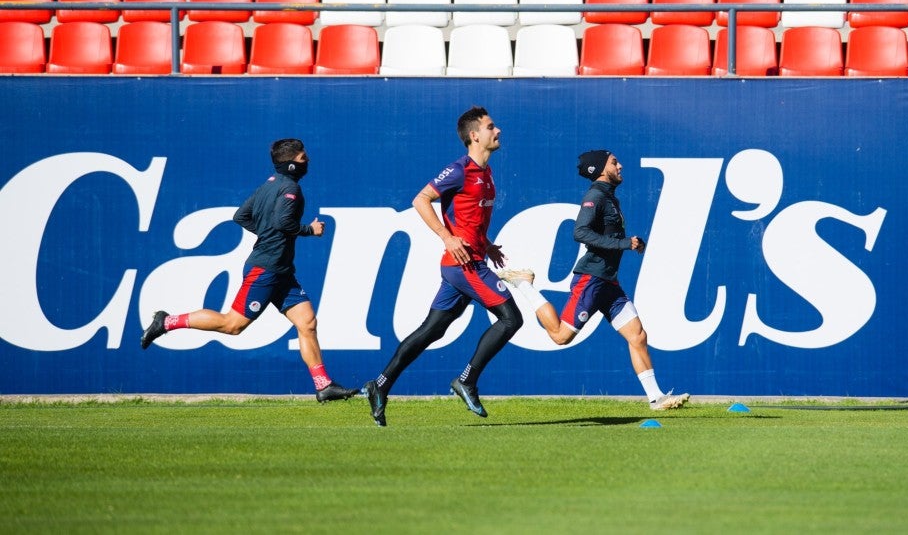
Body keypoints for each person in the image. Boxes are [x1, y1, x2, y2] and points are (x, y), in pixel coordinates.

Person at [139, 138, 358, 403]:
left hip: (281, 271)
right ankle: (166, 321)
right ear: (290, 164)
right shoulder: (290, 189)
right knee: (232, 325)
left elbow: (241, 216)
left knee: (307, 323)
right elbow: (282, 221)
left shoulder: (269, 185)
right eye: (303, 158)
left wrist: (267, 233)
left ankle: (323, 386)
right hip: (266, 270)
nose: (307, 161)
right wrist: (309, 230)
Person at [361, 106, 524, 427]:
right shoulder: (460, 169)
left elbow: (469, 218)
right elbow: (420, 199)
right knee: (511, 319)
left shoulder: (486, 173)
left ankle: (379, 385)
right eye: (492, 126)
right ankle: (466, 380)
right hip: (463, 265)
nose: (499, 130)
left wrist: (486, 242)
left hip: (467, 262)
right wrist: (446, 237)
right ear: (475, 135)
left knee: (431, 330)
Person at [498, 150, 689, 411]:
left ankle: (656, 398)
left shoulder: (610, 197)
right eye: (614, 162)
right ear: (600, 169)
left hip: (608, 282)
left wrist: (631, 244)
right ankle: (524, 284)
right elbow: (580, 232)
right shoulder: (595, 196)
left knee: (638, 335)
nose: (620, 165)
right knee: (560, 336)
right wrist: (623, 243)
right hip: (591, 279)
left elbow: (607, 235)